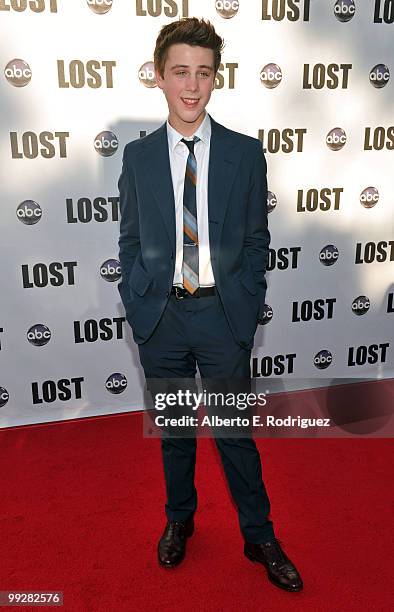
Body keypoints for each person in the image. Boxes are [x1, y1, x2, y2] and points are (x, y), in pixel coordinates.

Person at [117, 17, 303, 592]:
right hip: (161, 318)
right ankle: (180, 521)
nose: (191, 86)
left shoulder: (245, 154)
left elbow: (255, 239)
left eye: (203, 73)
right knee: (174, 430)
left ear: (216, 78)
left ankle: (259, 534)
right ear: (159, 77)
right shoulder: (139, 157)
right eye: (180, 73)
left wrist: (246, 306)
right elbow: (129, 238)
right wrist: (137, 294)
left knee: (234, 433)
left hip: (223, 315)